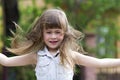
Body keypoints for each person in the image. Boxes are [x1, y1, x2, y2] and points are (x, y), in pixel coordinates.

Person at [0, 8, 120, 80]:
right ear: (42, 33)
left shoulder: (70, 55)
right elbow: (6, 61)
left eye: (57, 32)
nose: (53, 36)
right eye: (49, 32)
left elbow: (100, 63)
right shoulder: (37, 56)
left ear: (64, 34)